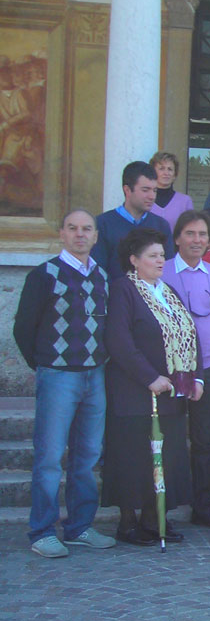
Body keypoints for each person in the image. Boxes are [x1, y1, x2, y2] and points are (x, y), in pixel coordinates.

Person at [15, 210, 115, 557]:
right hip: (58, 376)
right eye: (72, 228)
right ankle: (42, 530)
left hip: (94, 375)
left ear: (96, 236)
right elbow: (23, 328)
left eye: (86, 229)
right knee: (49, 457)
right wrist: (45, 364)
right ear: (61, 234)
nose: (79, 234)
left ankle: (79, 527)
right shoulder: (45, 275)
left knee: (87, 456)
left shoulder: (102, 276)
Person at [102, 227, 203, 545]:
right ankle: (128, 522)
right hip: (135, 393)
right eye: (153, 255)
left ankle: (154, 518)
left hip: (171, 394)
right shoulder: (123, 290)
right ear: (134, 260)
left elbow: (189, 332)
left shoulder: (168, 290)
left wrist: (196, 377)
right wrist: (149, 377)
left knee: (167, 456)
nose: (160, 260)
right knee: (134, 457)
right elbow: (119, 340)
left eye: (162, 254)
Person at [160, 211, 210, 532]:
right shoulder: (162, 270)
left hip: (209, 368)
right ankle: (160, 510)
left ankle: (202, 507)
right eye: (190, 234)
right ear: (177, 238)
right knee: (170, 440)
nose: (196, 240)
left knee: (206, 442)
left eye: (202, 234)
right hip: (171, 372)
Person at [93, 161, 175, 277]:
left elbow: (168, 271)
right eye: (145, 190)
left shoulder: (161, 226)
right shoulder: (102, 224)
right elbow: (98, 272)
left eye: (154, 190)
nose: (152, 196)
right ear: (127, 190)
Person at [148, 151, 195, 230]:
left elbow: (191, 230)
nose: (166, 173)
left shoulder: (185, 201)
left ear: (175, 175)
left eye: (170, 169)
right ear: (153, 172)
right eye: (161, 169)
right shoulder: (145, 199)